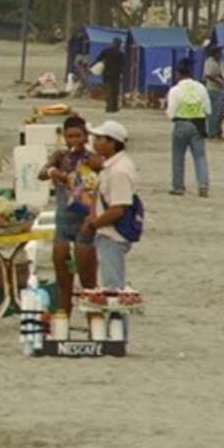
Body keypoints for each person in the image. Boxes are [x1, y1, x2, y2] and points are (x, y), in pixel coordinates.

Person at [38, 115, 101, 315]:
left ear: (85, 137)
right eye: (70, 136)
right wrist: (52, 172)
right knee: (63, 281)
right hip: (63, 225)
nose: (74, 140)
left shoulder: (91, 159)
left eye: (78, 136)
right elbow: (41, 173)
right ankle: (63, 319)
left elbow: (102, 170)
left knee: (88, 281)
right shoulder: (59, 156)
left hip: (85, 224)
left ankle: (94, 323)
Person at [82, 121, 140, 309]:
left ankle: (117, 333)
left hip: (112, 234)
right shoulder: (111, 166)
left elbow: (118, 208)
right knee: (112, 287)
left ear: (112, 142)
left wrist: (94, 224)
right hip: (106, 232)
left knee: (114, 291)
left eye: (99, 139)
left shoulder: (119, 171)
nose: (95, 142)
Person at [166, 60, 211, 197]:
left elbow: (171, 112)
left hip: (181, 123)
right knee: (200, 156)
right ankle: (203, 184)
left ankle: (178, 186)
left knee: (178, 156)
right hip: (198, 124)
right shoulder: (201, 88)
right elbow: (208, 109)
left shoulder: (175, 90)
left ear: (178, 74)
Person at [204, 44, 224, 140]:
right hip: (213, 90)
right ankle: (212, 133)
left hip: (219, 90)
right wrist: (219, 82)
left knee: (219, 113)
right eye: (220, 52)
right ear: (215, 53)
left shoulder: (218, 62)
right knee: (213, 113)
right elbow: (208, 75)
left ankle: (217, 132)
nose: (221, 54)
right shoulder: (210, 62)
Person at [94, 38, 124, 113]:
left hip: (107, 73)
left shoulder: (106, 51)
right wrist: (122, 73)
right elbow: (123, 65)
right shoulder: (120, 53)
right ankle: (114, 107)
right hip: (116, 74)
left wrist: (92, 66)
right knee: (115, 91)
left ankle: (109, 106)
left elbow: (98, 59)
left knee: (108, 90)